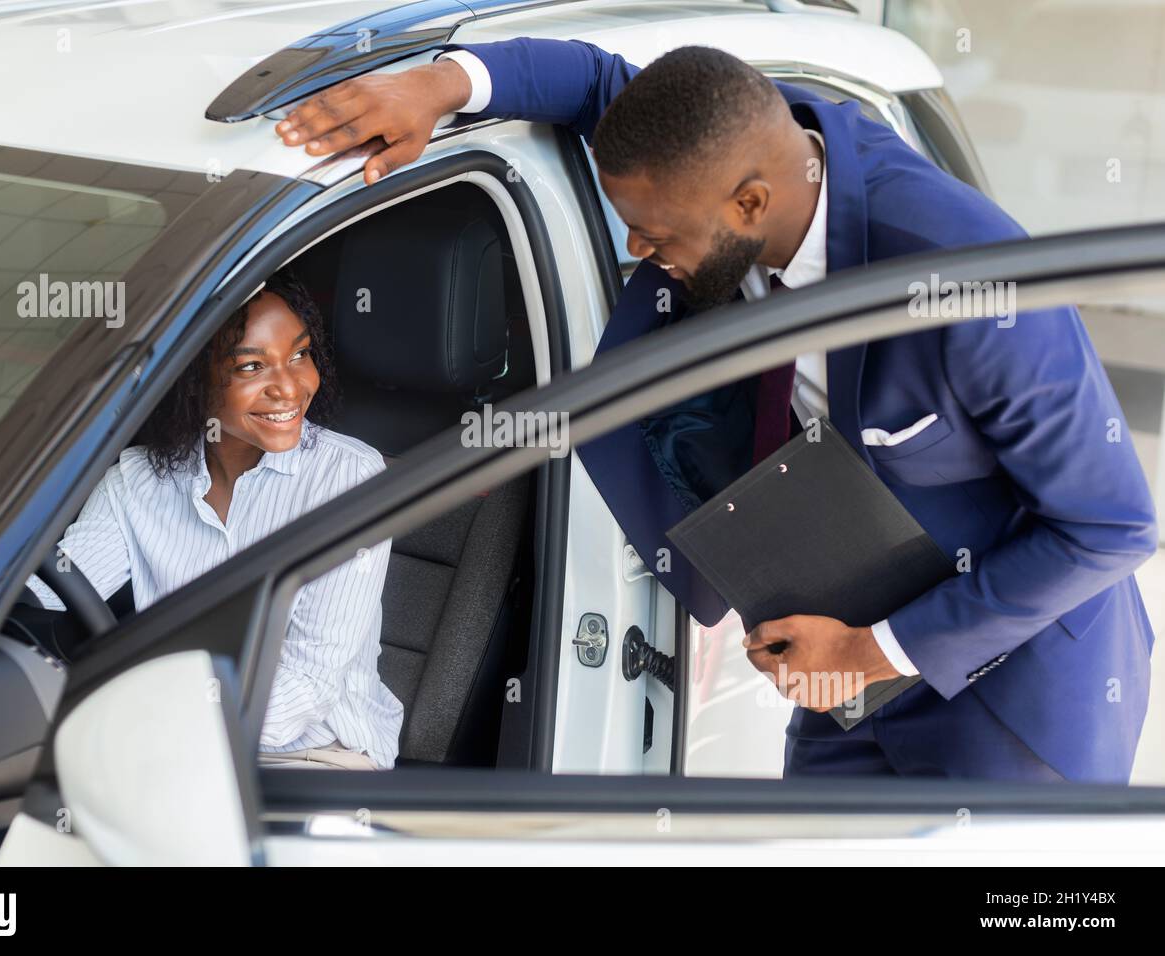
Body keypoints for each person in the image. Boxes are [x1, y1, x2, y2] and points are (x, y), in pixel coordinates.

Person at [265, 38, 1157, 783]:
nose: (636, 248)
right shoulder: (712, 152)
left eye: (654, 235)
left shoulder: (966, 284)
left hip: (1010, 697)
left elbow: (1111, 525)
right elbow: (597, 83)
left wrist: (874, 650)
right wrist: (445, 83)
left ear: (751, 204)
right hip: (836, 674)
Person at [0, 271, 403, 770]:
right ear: (192, 376)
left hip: (314, 757)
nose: (289, 387)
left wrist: (132, 718)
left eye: (300, 355)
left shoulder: (348, 477)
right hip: (172, 746)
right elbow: (44, 597)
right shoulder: (137, 479)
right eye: (251, 367)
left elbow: (303, 691)